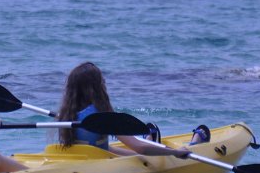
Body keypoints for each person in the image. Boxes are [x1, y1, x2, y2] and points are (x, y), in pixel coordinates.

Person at [57, 62, 192, 159]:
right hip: (98, 162)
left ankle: (150, 140)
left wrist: (140, 156)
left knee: (138, 155)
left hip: (82, 159)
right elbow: (140, 147)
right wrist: (175, 153)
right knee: (142, 151)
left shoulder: (67, 113)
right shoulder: (101, 116)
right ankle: (194, 139)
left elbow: (101, 148)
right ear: (98, 87)